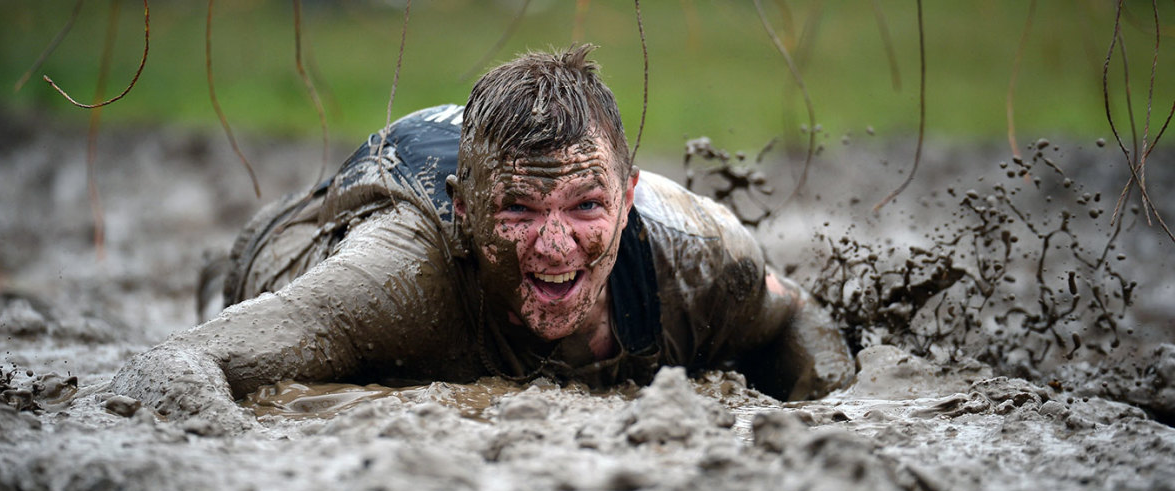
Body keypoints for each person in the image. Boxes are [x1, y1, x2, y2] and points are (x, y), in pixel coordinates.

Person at [112, 45, 854, 432]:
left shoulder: (698, 260)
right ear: (468, 212)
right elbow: (177, 361)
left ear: (628, 199)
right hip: (322, 227)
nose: (556, 246)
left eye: (585, 206)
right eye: (520, 211)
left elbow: (795, 314)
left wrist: (826, 423)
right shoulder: (399, 273)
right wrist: (224, 451)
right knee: (245, 281)